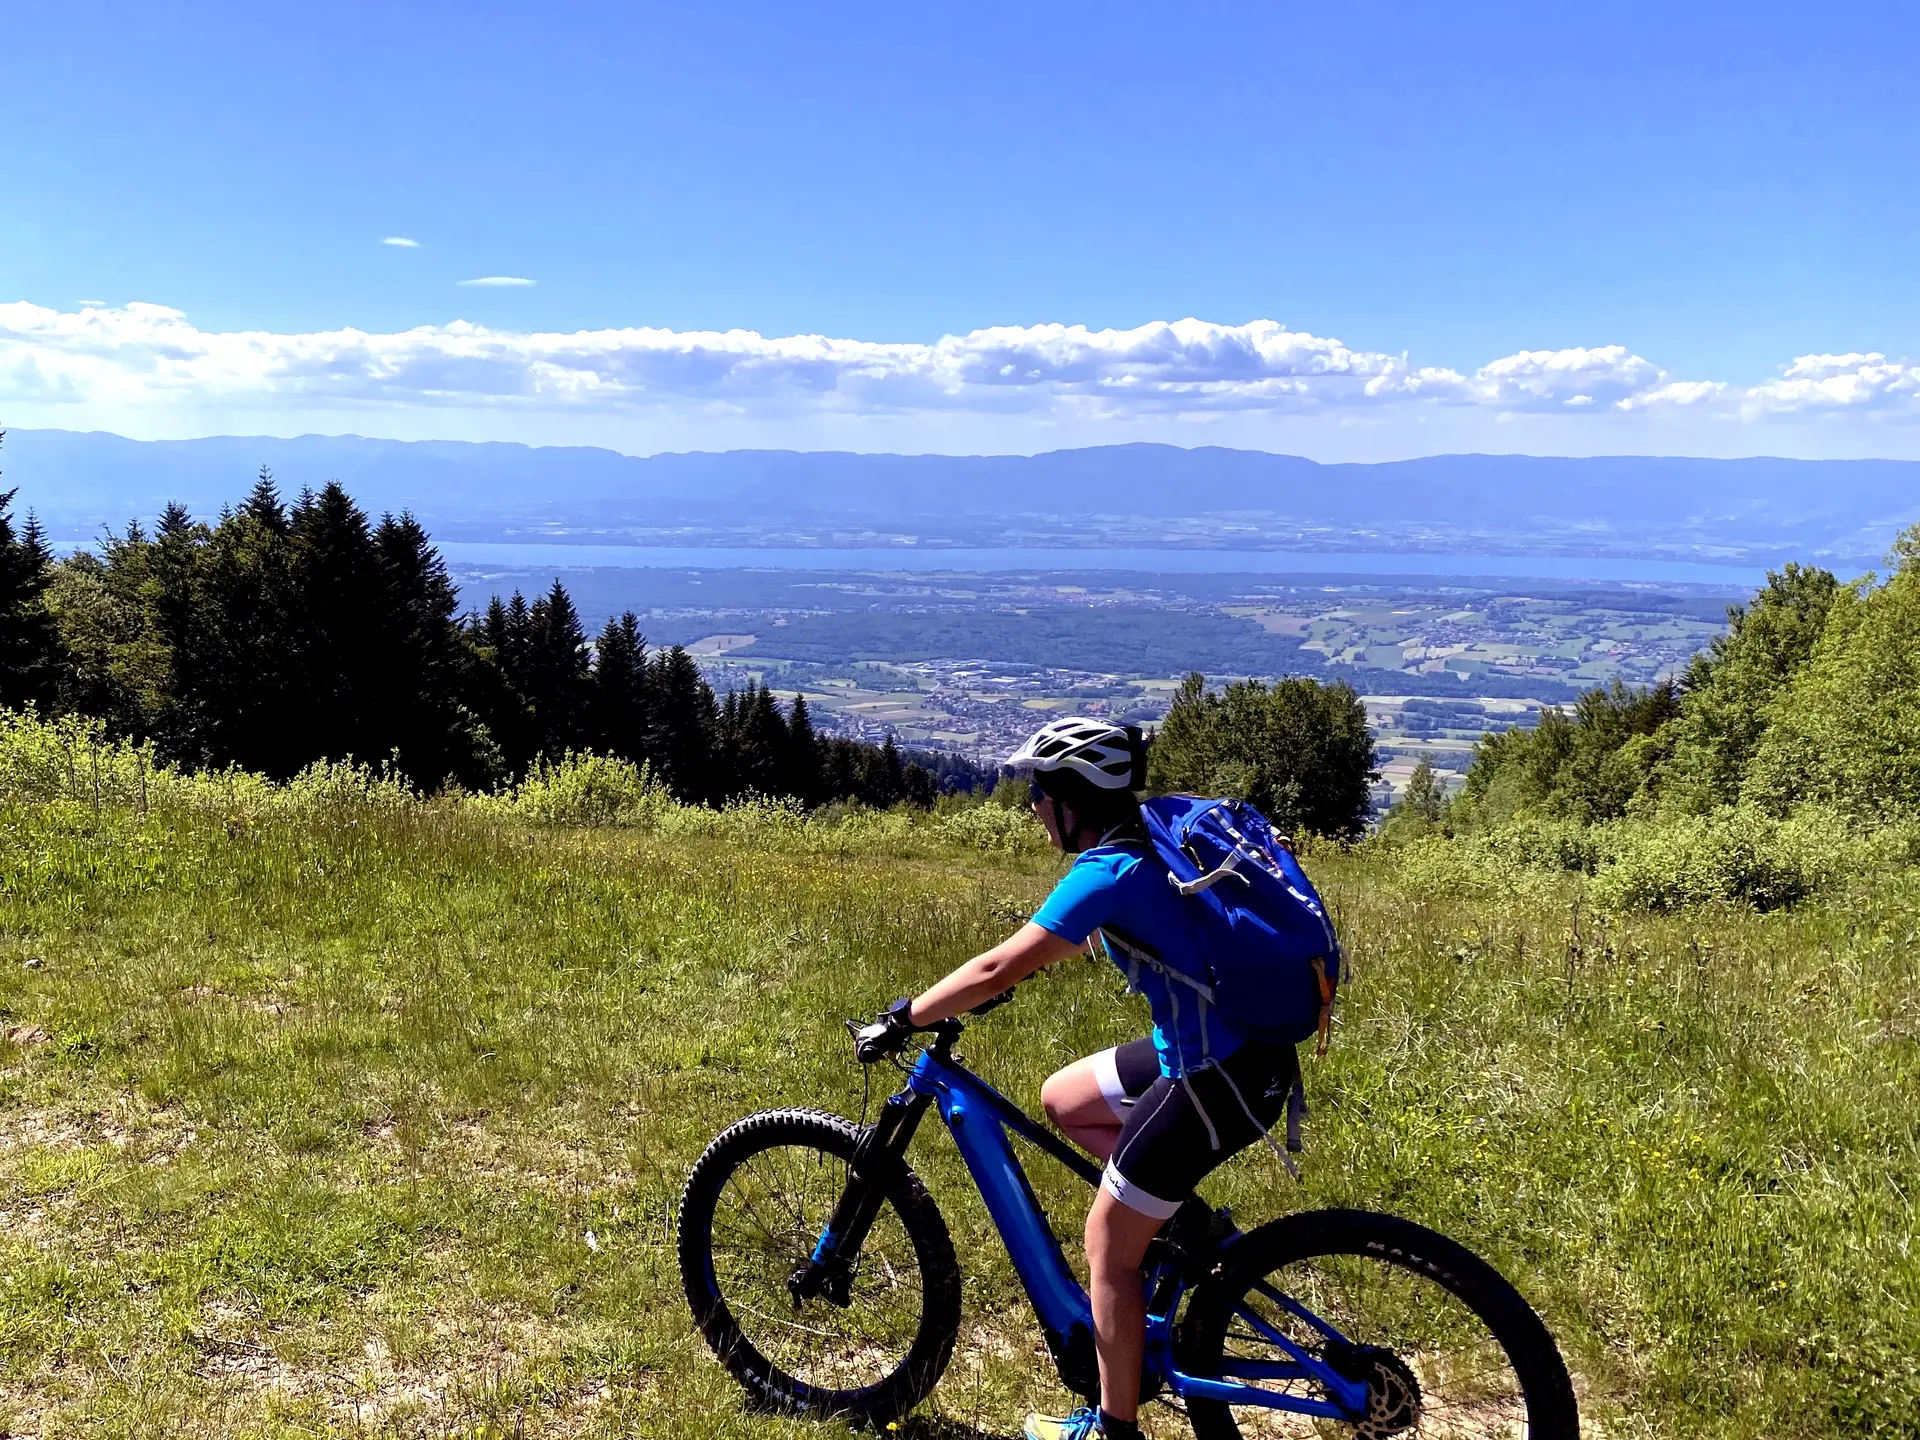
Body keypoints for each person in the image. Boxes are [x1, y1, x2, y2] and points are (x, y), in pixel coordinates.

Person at [853, 717, 1302, 1440]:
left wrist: (905, 1017)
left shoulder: (1108, 871)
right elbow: (1106, 937)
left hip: (1216, 1077)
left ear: (1072, 800)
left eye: (1040, 791)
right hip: (1233, 1049)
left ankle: (1117, 1428)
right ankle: (1180, 1222)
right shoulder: (1151, 833)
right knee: (1065, 1099)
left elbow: (998, 965)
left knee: (1106, 1247)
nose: (1032, 804)